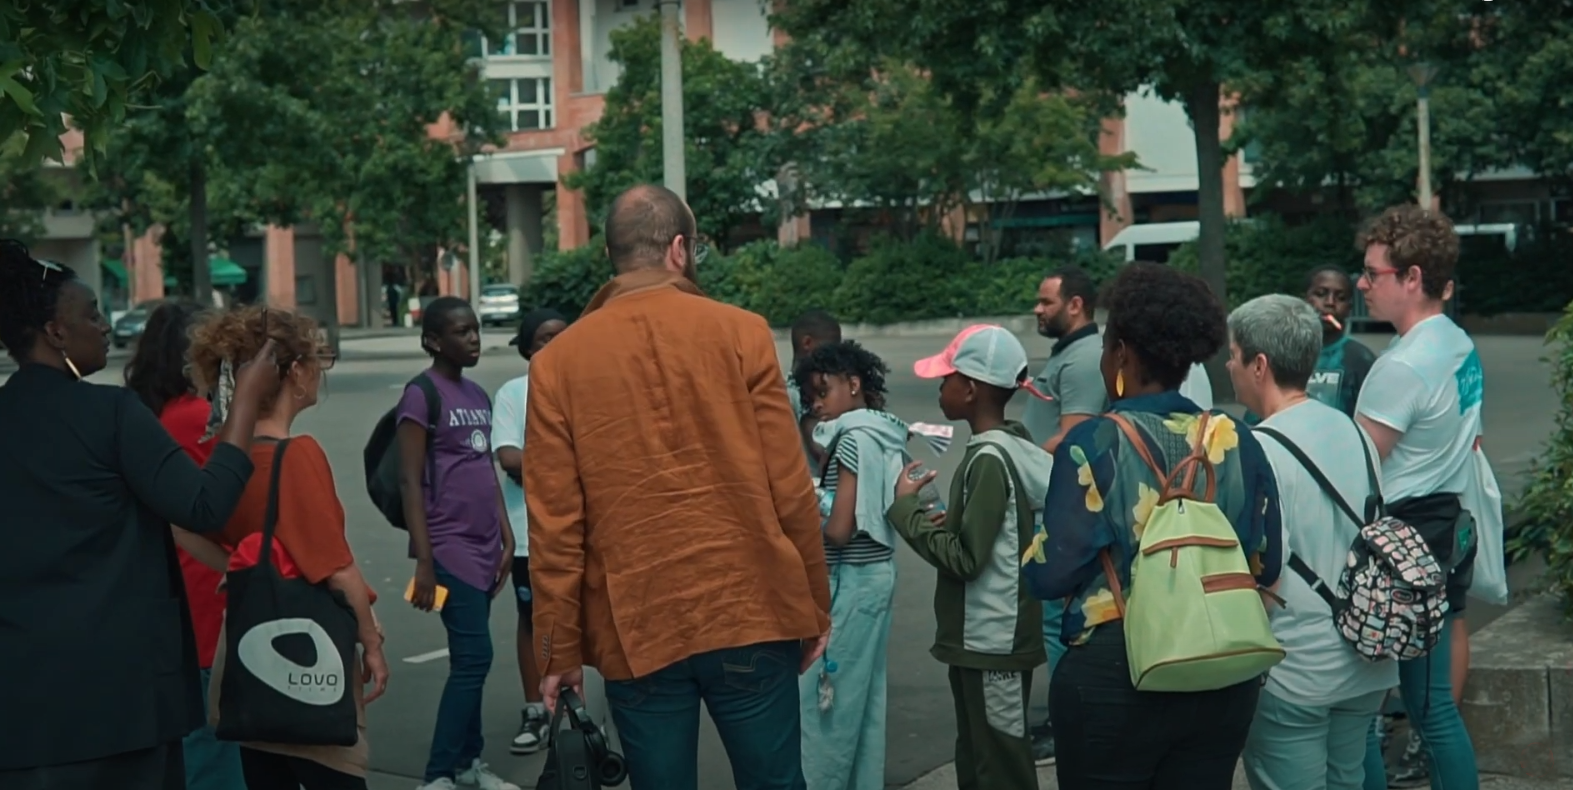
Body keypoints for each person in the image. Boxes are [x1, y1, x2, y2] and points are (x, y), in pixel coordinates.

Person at [524, 184, 832, 790]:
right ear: (680, 249)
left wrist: (556, 652)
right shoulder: (742, 332)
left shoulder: (556, 363)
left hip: (636, 622)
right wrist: (814, 604)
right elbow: (791, 487)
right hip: (750, 606)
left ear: (612, 256)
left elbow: (555, 528)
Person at [0, 240, 278, 789]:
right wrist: (244, 401)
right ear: (56, 331)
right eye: (92, 314)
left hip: (22, 705)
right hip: (121, 700)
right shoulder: (110, 412)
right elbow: (203, 504)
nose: (104, 327)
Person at [1021, 262, 1283, 790]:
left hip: (1115, 673)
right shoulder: (1237, 438)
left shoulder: (1095, 444)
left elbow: (1049, 576)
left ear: (1120, 353)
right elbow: (1266, 562)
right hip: (1218, 664)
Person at [188, 306, 390, 790]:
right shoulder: (297, 456)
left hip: (249, 664)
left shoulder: (228, 455)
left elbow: (186, 529)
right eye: (316, 358)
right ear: (296, 371)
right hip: (310, 658)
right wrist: (373, 644)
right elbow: (337, 569)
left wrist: (243, 565)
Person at [1226, 295, 1397, 790]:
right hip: (1366, 660)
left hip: (1296, 667)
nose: (1228, 366)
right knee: (1346, 780)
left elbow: (1266, 571)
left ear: (1259, 365)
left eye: (1234, 355)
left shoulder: (1259, 447)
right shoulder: (1356, 432)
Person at [890, 324, 1051, 790]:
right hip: (987, 641)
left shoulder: (988, 461)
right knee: (982, 752)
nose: (941, 388)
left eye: (947, 378)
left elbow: (966, 560)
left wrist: (907, 510)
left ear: (972, 388)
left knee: (998, 764)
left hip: (990, 641)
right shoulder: (1006, 447)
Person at [1353, 206, 1481, 790]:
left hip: (1400, 543)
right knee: (1433, 705)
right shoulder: (1457, 344)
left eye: (1371, 273)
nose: (1361, 284)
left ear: (1410, 278)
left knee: (1358, 704)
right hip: (1447, 527)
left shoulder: (1400, 366)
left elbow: (1355, 467)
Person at [123, 299, 248, 790]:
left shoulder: (148, 413)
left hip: (166, 600)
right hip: (206, 599)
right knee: (215, 747)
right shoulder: (196, 418)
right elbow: (210, 512)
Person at [399, 296, 519, 790]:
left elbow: (483, 471)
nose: (473, 339)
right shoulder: (420, 394)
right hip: (447, 546)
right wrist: (423, 561)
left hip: (485, 543)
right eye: (461, 331)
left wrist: (507, 535)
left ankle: (468, 764)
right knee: (474, 658)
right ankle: (439, 773)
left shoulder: (476, 395)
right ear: (433, 341)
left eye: (474, 330)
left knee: (472, 659)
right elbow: (409, 480)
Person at [792, 340, 906, 790]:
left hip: (851, 582)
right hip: (875, 577)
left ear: (854, 385)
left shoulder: (852, 439)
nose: (817, 405)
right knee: (863, 700)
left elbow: (840, 529)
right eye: (810, 399)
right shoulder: (884, 431)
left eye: (823, 392)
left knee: (826, 707)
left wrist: (803, 511)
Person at [1020, 265, 1104, 767]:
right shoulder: (1069, 353)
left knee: (1058, 619)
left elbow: (1073, 436)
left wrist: (1012, 455)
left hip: (1062, 506)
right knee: (1050, 618)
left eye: (1046, 302)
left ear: (1075, 305)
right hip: (1050, 502)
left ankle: (1066, 722)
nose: (1038, 309)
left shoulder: (1084, 359)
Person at [491, 308, 570, 755]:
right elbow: (509, 459)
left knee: (588, 617)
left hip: (586, 531)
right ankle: (535, 710)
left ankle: (578, 707)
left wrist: (538, 464)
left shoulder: (589, 390)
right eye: (543, 340)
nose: (554, 347)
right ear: (527, 349)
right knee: (533, 620)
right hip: (530, 534)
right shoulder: (513, 394)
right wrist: (566, 464)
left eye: (562, 337)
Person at [1242, 266, 1376, 425]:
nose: (1330, 303)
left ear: (1349, 308)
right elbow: (1255, 418)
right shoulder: (1278, 353)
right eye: (1321, 294)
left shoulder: (1360, 359)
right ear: (1303, 301)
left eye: (1340, 297)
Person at [789, 309, 844, 474]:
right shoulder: (794, 394)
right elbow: (821, 450)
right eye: (832, 345)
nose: (835, 354)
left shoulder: (783, 390)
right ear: (807, 343)